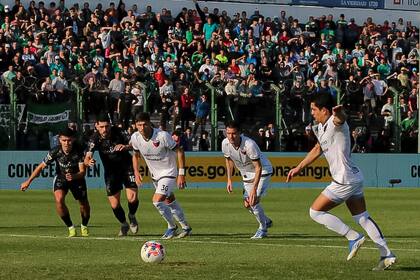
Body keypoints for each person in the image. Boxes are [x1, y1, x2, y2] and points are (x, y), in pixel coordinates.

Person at [286, 92, 396, 270]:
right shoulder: (320, 127)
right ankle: (386, 254)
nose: (312, 113)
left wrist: (339, 113)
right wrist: (298, 168)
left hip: (343, 180)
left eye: (314, 109)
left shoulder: (335, 122)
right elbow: (317, 149)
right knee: (362, 217)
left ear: (324, 110)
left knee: (315, 212)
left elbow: (340, 119)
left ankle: (353, 237)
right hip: (353, 178)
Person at [20, 128, 91, 237]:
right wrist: (28, 181)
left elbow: (82, 172)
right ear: (59, 140)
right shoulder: (55, 151)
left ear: (73, 140)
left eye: (69, 140)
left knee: (83, 204)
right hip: (61, 178)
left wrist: (74, 176)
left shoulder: (79, 151)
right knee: (59, 200)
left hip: (77, 179)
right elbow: (40, 167)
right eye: (64, 140)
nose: (66, 143)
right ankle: (71, 227)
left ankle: (84, 225)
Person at [131, 112, 192, 239]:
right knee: (170, 201)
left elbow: (179, 151)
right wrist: (136, 172)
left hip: (169, 173)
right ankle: (186, 227)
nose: (142, 128)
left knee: (157, 201)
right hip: (155, 176)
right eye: (139, 125)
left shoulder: (162, 136)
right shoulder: (135, 137)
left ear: (149, 123)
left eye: (144, 124)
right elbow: (135, 155)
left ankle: (172, 227)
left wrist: (181, 174)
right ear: (136, 125)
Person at [84, 115, 139, 236]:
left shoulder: (119, 132)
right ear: (97, 126)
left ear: (110, 125)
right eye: (102, 127)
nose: (105, 129)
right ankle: (124, 224)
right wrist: (89, 161)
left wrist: (126, 146)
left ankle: (132, 216)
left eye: (107, 126)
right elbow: (87, 156)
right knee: (114, 204)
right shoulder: (94, 139)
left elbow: (134, 145)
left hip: (127, 167)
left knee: (132, 198)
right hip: (111, 172)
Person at [222, 121, 273, 239]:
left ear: (239, 133)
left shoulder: (249, 145)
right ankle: (266, 221)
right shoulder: (225, 143)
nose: (231, 136)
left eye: (234, 133)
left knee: (253, 201)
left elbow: (258, 167)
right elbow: (228, 160)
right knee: (247, 204)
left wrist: (254, 189)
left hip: (263, 171)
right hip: (246, 174)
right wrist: (229, 180)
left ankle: (263, 229)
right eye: (228, 133)